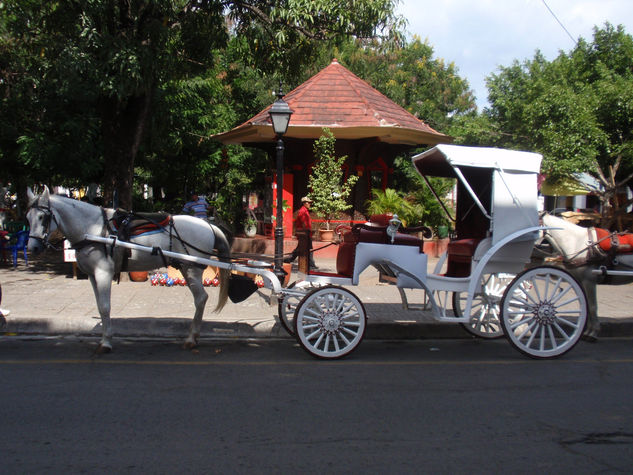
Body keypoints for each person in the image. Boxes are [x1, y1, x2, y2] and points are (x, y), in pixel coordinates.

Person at [284, 196, 317, 268]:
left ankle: (288, 259)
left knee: (300, 249)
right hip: (304, 234)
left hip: (305, 233)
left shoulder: (305, 211)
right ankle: (311, 264)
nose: (310, 204)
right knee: (308, 248)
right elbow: (303, 224)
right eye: (308, 203)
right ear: (304, 203)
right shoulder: (303, 211)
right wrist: (307, 232)